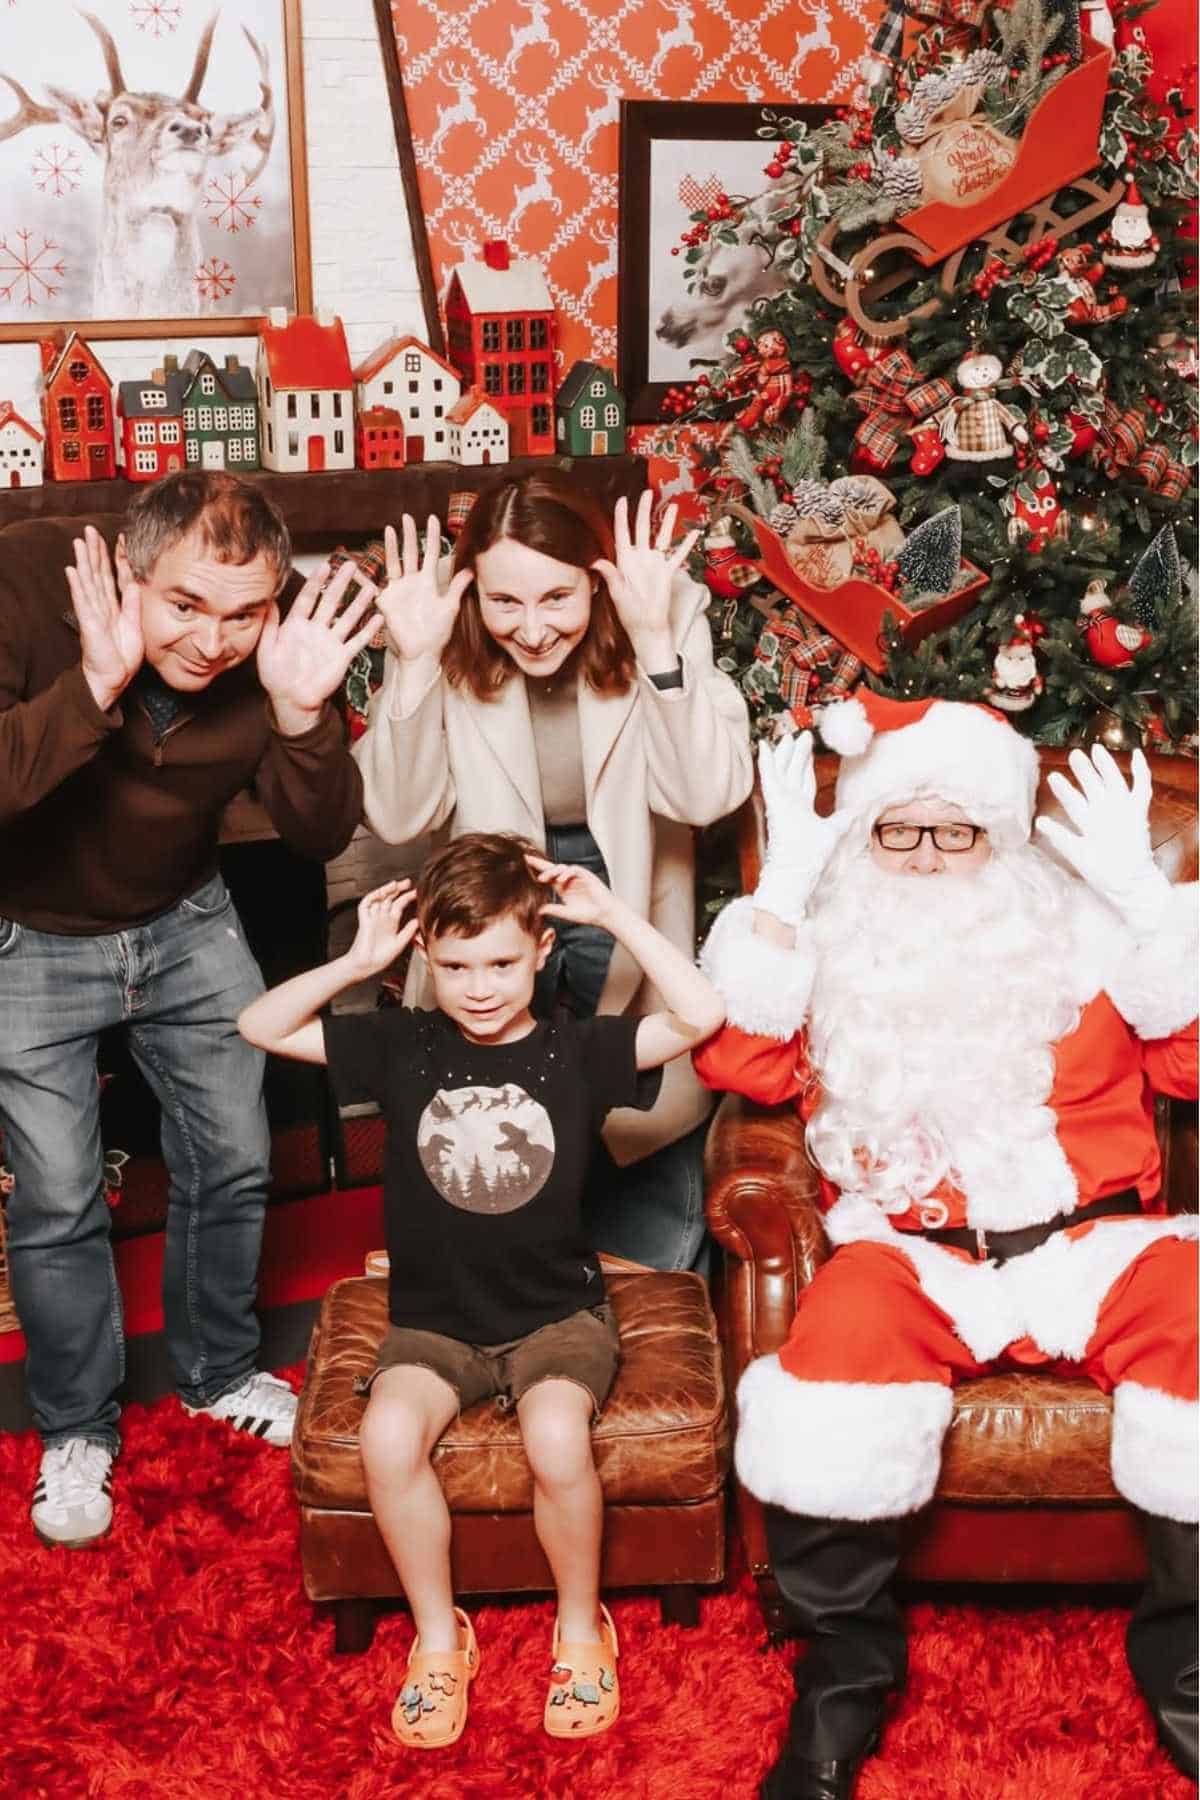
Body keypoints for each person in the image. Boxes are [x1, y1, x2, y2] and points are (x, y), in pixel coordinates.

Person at [693, 693, 1198, 1799]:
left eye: (956, 831)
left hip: (1096, 1242)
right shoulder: (836, 950)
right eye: (898, 830)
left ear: (1002, 838)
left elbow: (1194, 1072)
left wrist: (1155, 912)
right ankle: (842, 1678)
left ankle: (1191, 1679)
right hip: (916, 1254)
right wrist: (776, 904)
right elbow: (737, 1067)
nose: (925, 857)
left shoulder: (1091, 942)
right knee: (836, 1354)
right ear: (864, 837)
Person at [238, 831, 726, 1747]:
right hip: (436, 1323)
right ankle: (435, 1638)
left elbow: (700, 1012)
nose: (481, 986)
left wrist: (613, 913)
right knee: (387, 1436)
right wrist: (357, 961)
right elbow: (259, 1027)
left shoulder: (579, 1050)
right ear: (426, 955)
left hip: (557, 1315)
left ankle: (579, 1629)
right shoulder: (402, 1045)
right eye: (457, 964)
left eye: (502, 960)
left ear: (541, 950)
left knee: (554, 1435)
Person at [0, 471, 378, 1549]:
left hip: (183, 916)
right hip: (28, 932)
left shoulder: (283, 640)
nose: (215, 642)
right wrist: (93, 688)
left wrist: (305, 719)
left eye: (243, 613)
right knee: (61, 1193)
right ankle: (77, 1428)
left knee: (236, 1152)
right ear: (129, 568)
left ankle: (219, 1371)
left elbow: (317, 832)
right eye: (185, 607)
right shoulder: (28, 583)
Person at [352, 471, 753, 1275]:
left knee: (635, 1125)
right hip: (496, 912)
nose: (532, 630)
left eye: (557, 599)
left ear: (597, 582)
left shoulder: (660, 609)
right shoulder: (437, 626)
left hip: (627, 894)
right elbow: (397, 815)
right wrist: (417, 660)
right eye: (505, 603)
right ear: (473, 594)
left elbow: (707, 794)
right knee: (495, 1108)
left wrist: (654, 646)